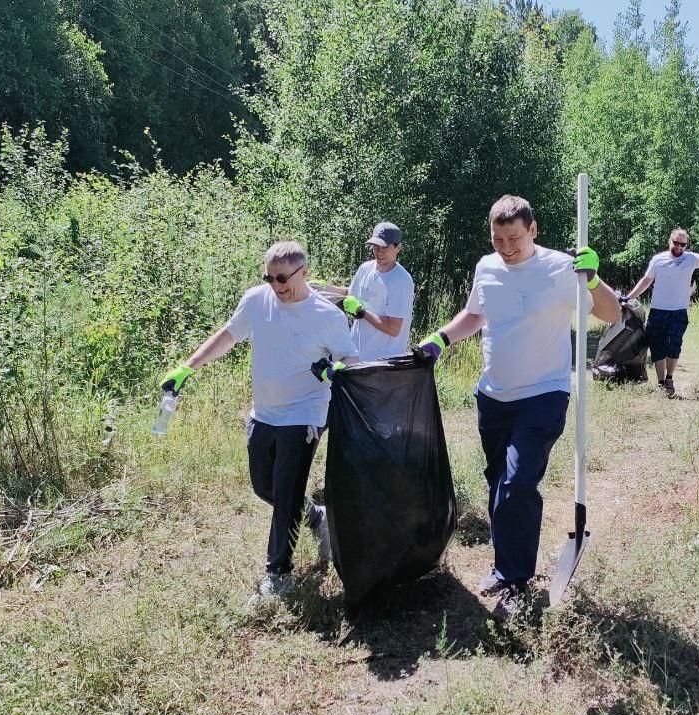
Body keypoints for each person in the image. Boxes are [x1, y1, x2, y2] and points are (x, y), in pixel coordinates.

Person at [413, 195, 621, 620]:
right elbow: (475, 316)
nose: (506, 248)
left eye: (514, 238)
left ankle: (516, 581)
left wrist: (594, 279)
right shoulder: (486, 268)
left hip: (543, 395)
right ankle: (503, 564)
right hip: (493, 397)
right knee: (497, 485)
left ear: (534, 230)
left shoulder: (563, 269)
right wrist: (441, 338)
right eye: (498, 239)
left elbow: (612, 313)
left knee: (517, 484)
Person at [160, 239, 358, 606]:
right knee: (263, 486)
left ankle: (278, 576)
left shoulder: (327, 315)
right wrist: (188, 366)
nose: (276, 286)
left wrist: (334, 371)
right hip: (264, 412)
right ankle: (316, 516)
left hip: (306, 415)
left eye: (283, 278)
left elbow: (350, 359)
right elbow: (227, 336)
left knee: (284, 495)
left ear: (304, 274)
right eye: (270, 277)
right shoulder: (257, 299)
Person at [621, 228, 699, 396]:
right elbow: (646, 281)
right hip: (658, 311)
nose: (679, 247)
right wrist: (628, 297)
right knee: (657, 347)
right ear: (670, 241)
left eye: (683, 244)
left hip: (678, 312)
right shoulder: (658, 260)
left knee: (674, 346)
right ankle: (660, 383)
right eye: (676, 243)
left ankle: (669, 379)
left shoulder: (690, 259)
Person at [315, 221, 415, 362]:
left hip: (383, 363)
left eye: (384, 247)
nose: (379, 252)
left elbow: (394, 328)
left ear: (398, 247)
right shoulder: (366, 268)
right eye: (375, 247)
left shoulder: (400, 281)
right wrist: (325, 287)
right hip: (357, 355)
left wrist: (362, 313)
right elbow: (350, 294)